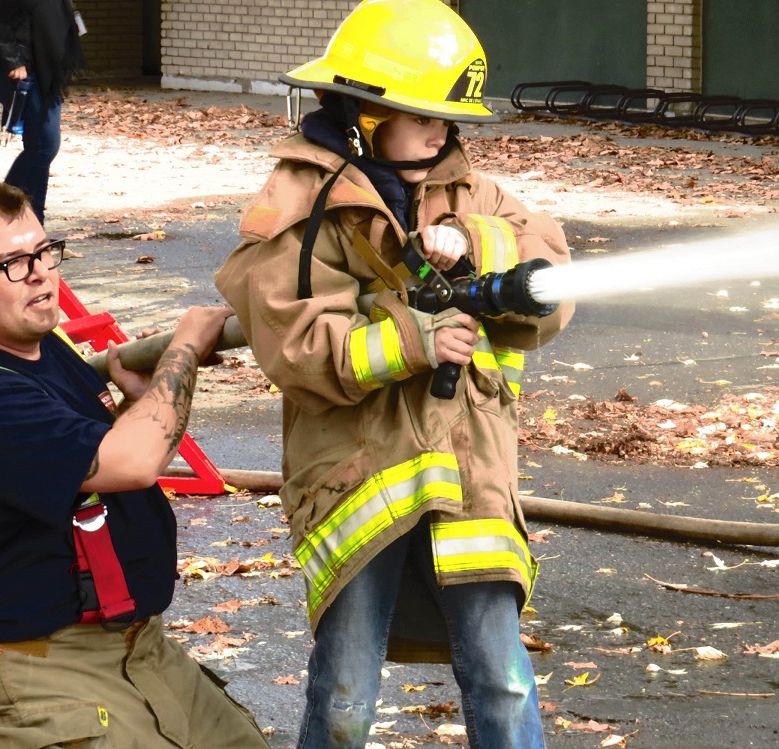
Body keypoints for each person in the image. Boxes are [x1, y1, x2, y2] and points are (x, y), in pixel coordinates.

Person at [215, 2, 573, 747]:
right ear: (362, 111)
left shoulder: (475, 195)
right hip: (359, 480)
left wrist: (477, 246)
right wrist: (415, 337)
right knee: (346, 696)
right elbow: (297, 346)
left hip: (468, 473)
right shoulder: (298, 207)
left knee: (503, 681)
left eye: (447, 116)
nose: (440, 131)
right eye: (420, 114)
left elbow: (552, 286)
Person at [0, 173, 270, 749]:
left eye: (44, 252)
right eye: (11, 264)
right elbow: (134, 462)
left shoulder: (44, 348)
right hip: (47, 672)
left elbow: (91, 462)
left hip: (137, 649)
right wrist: (183, 350)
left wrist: (135, 398)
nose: (41, 276)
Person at [0, 0, 83, 226]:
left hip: (42, 67)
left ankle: (13, 215)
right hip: (19, 68)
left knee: (43, 146)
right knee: (43, 146)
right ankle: (18, 217)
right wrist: (12, 59)